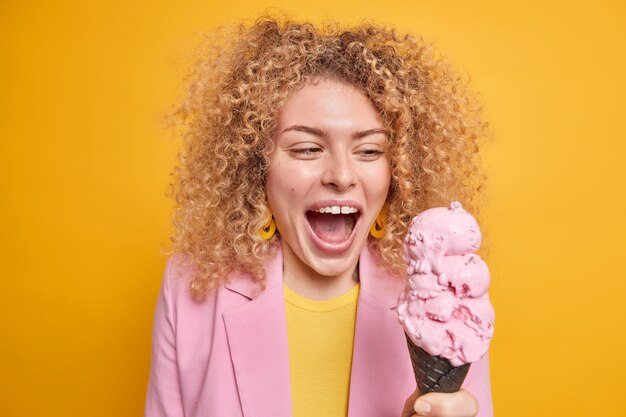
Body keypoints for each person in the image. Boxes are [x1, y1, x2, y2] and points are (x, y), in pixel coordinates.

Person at [145, 16, 492, 417]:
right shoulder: (190, 288)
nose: (342, 177)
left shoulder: (449, 297)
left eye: (369, 151)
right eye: (308, 149)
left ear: (397, 170)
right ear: (257, 165)